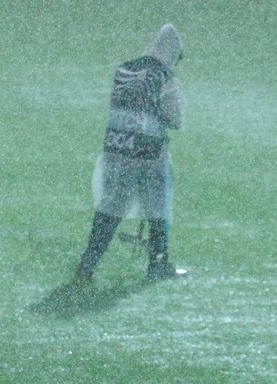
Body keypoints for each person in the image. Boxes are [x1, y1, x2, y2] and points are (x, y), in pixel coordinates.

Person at [72, 23, 187, 287]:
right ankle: (158, 264)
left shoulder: (124, 69)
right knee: (157, 208)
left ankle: (87, 264)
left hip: (116, 146)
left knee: (111, 207)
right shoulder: (165, 76)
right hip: (148, 151)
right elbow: (176, 119)